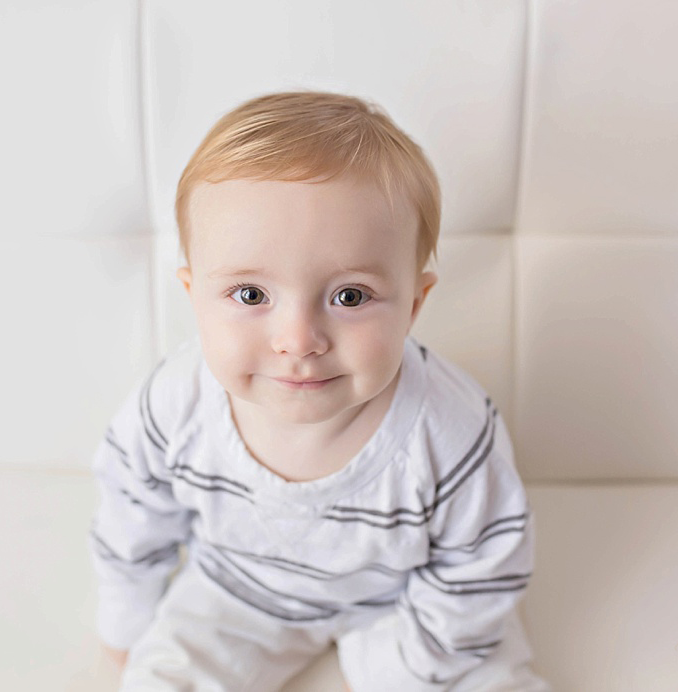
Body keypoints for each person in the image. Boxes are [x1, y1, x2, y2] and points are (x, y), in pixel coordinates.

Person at [90, 92, 548, 690]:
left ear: (413, 304)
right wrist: (127, 626)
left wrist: (419, 660)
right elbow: (132, 514)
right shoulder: (175, 405)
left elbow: (482, 563)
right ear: (193, 293)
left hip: (406, 604)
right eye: (251, 295)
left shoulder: (450, 429)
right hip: (235, 597)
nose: (299, 340)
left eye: (350, 297)